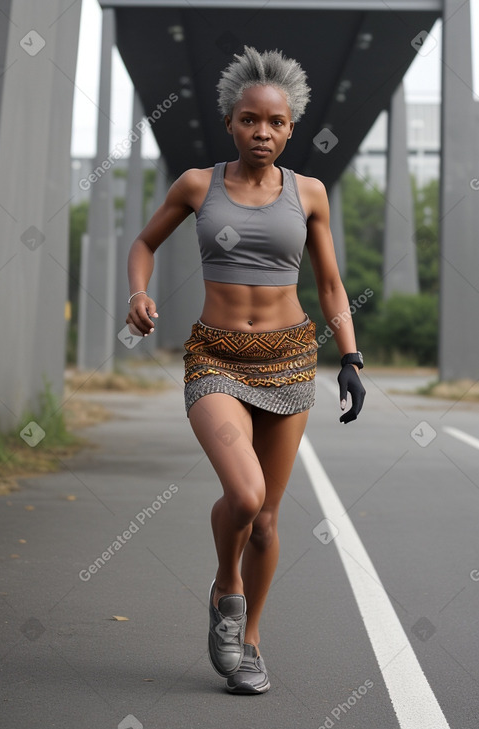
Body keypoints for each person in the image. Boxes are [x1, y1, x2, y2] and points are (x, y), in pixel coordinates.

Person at [126, 46, 365, 695]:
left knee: (265, 521)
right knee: (245, 494)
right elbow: (145, 243)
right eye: (249, 120)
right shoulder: (197, 185)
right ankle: (224, 589)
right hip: (216, 359)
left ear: (291, 127)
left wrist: (348, 355)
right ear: (230, 122)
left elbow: (330, 284)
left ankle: (250, 639)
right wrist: (137, 293)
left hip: (288, 360)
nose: (262, 132)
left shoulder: (308, 194)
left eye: (276, 122)